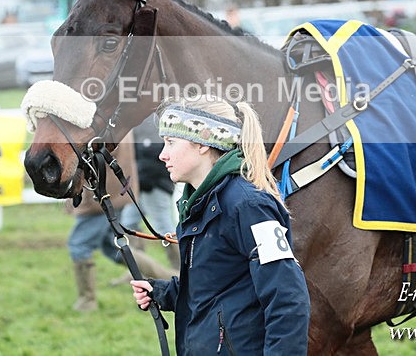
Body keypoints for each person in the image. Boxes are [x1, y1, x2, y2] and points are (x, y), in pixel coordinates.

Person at [131, 95, 310, 354]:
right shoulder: (198, 204)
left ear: (202, 143)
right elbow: (218, 284)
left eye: (171, 142)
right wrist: (163, 292)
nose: (162, 154)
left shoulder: (248, 206)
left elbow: (288, 298)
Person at [66, 132, 173, 312]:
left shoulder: (102, 123)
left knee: (79, 245)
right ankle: (173, 278)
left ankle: (87, 302)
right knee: (113, 248)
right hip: (110, 193)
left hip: (102, 195)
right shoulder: (112, 119)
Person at [110, 115, 181, 286]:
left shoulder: (154, 121)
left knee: (165, 229)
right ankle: (136, 272)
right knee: (129, 224)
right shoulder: (133, 120)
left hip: (155, 184)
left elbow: (155, 154)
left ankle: (181, 270)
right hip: (137, 185)